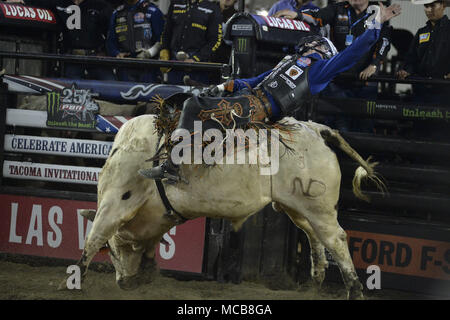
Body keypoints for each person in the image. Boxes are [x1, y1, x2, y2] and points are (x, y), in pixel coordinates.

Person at [139, 2, 401, 182]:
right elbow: (255, 80)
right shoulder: (288, 63)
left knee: (193, 106)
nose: (308, 45)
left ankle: (172, 168)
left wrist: (376, 23)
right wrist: (227, 85)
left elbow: (352, 53)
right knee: (199, 101)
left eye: (314, 44)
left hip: (258, 110)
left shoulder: (320, 70)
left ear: (319, 50)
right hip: (250, 100)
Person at [273, 0, 393, 133]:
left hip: (365, 81)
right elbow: (318, 16)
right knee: (338, 123)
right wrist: (297, 15)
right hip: (338, 79)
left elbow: (384, 41)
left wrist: (374, 65)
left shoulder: (378, 12)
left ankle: (364, 153)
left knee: (365, 125)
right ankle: (336, 153)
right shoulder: (338, 9)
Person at [6, 0, 115, 80]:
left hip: (97, 58)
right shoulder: (60, 3)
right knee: (71, 93)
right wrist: (22, 1)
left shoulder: (101, 5)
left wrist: (107, 52)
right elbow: (39, 3)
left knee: (112, 88)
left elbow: (112, 32)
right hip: (72, 59)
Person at [397, 0, 450, 103]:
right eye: (426, 6)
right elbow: (411, 58)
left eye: (432, 5)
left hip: (444, 91)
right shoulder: (421, 32)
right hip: (421, 90)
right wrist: (406, 70)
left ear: (443, 6)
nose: (429, 10)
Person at [159, 0, 223, 85]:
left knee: (196, 97)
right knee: (172, 96)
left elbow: (216, 41)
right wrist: (164, 50)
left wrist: (195, 59)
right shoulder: (175, 4)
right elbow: (166, 32)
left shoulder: (213, 8)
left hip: (198, 68)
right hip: (174, 65)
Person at [107, 0, 165, 83]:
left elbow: (162, 39)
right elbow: (110, 41)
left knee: (149, 95)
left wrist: (149, 53)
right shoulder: (116, 13)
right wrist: (117, 54)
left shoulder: (152, 11)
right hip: (125, 67)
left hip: (149, 67)